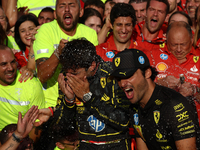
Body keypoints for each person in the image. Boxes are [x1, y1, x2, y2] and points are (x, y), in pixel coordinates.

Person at [35, 39, 131, 149]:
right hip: (85, 145)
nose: (70, 78)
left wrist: (88, 97)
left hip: (115, 145)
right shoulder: (66, 76)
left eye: (75, 73)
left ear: (92, 66)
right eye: (67, 73)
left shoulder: (113, 75)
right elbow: (62, 128)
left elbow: (124, 121)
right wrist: (69, 101)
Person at [110, 48, 200, 149]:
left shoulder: (174, 106)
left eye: (129, 76)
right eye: (118, 79)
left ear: (147, 73)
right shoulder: (134, 106)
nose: (122, 84)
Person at [33, 0, 98, 108]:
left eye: (72, 5)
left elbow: (94, 71)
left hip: (81, 102)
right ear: (54, 14)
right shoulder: (45, 30)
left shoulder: (90, 33)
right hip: (51, 105)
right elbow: (42, 75)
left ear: (81, 12)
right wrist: (58, 52)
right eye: (62, 6)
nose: (67, 9)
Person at [148, 21, 200, 126]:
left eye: (183, 44)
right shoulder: (152, 56)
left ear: (191, 39)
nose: (179, 50)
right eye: (174, 45)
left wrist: (194, 91)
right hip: (159, 125)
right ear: (166, 39)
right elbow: (139, 91)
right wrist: (158, 85)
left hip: (193, 127)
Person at [0, 45, 45, 130]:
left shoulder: (30, 84)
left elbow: (38, 125)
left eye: (13, 62)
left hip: (23, 140)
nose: (10, 68)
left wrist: (17, 141)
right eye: (4, 64)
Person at [14, 14, 39, 82]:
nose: (27, 33)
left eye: (31, 29)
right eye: (23, 31)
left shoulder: (48, 50)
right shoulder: (16, 58)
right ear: (18, 35)